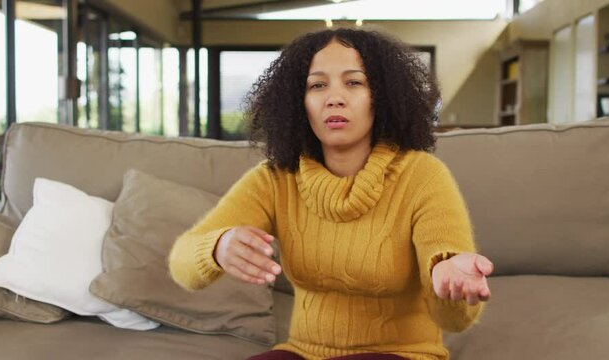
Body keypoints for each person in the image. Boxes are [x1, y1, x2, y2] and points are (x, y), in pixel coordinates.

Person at [168, 27, 493, 360]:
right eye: (317, 85)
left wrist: (451, 282)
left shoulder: (422, 176)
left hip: (402, 354)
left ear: (382, 96)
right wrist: (217, 247)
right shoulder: (276, 179)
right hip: (304, 352)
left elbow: (455, 320)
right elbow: (183, 263)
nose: (334, 97)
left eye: (354, 82)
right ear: (298, 102)